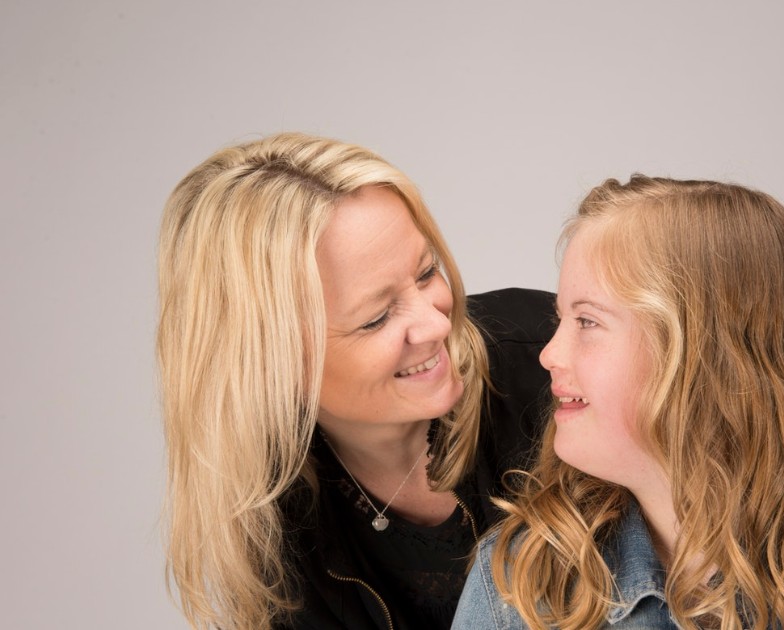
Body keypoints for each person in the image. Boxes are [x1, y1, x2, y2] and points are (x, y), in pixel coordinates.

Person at [453, 175, 784, 629]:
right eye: (559, 319)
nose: (547, 354)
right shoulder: (520, 590)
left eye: (587, 322)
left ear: (706, 358)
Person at [156, 132, 555, 630]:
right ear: (269, 364)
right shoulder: (268, 517)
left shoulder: (554, 364)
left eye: (427, 273)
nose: (435, 325)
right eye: (376, 318)